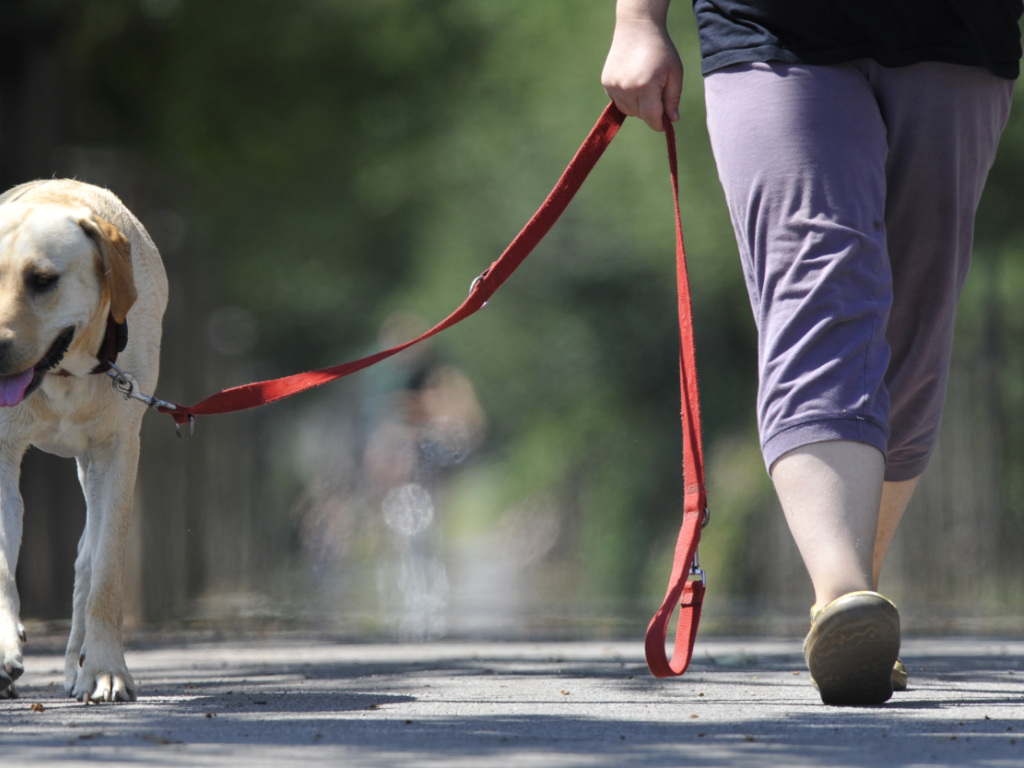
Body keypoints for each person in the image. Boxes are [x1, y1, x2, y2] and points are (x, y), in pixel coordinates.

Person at [602, 0, 1021, 705]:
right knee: (819, 290)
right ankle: (842, 589)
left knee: (913, 338)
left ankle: (859, 599)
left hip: (958, 29)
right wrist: (638, 19)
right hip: (769, 25)